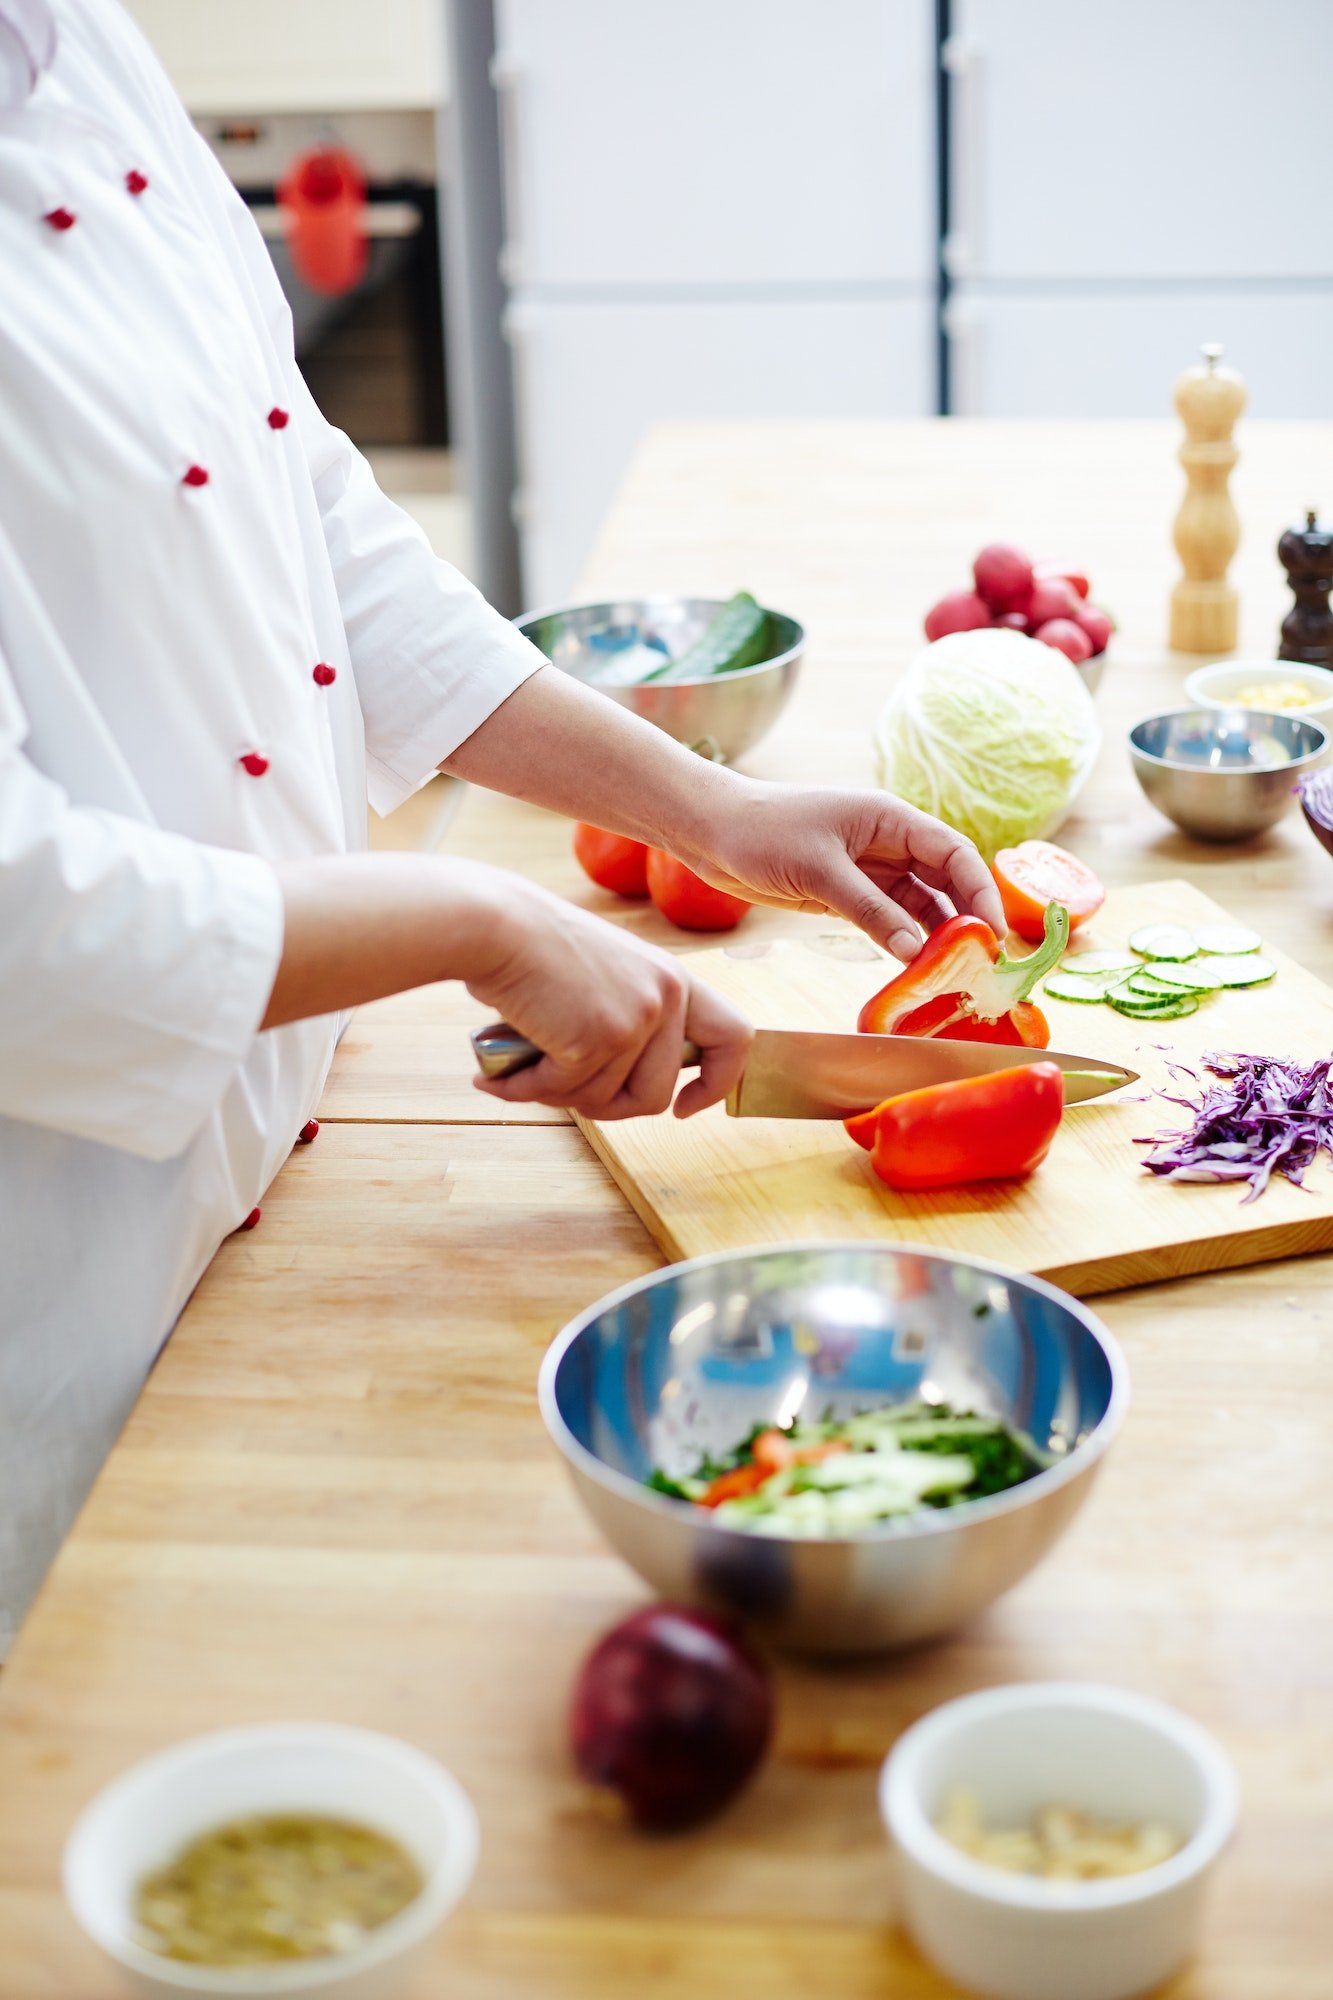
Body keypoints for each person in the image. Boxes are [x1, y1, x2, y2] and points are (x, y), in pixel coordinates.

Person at [0, 0, 1004, 1649]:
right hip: (56, 1309)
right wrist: (483, 923)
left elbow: (298, 496)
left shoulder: (82, 36)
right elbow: (20, 927)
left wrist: (713, 807)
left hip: (276, 1195)